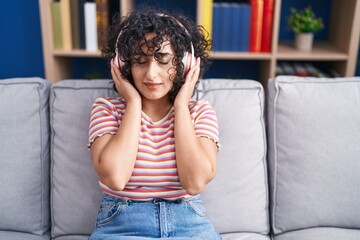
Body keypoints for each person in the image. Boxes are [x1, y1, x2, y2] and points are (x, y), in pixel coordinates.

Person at [88, 7, 221, 239]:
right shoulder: (107, 110)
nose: (151, 74)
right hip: (121, 224)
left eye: (163, 60)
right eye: (139, 61)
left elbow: (195, 182)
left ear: (185, 64)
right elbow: (116, 178)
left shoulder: (199, 112)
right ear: (123, 65)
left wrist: (181, 107)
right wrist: (133, 104)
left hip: (188, 223)